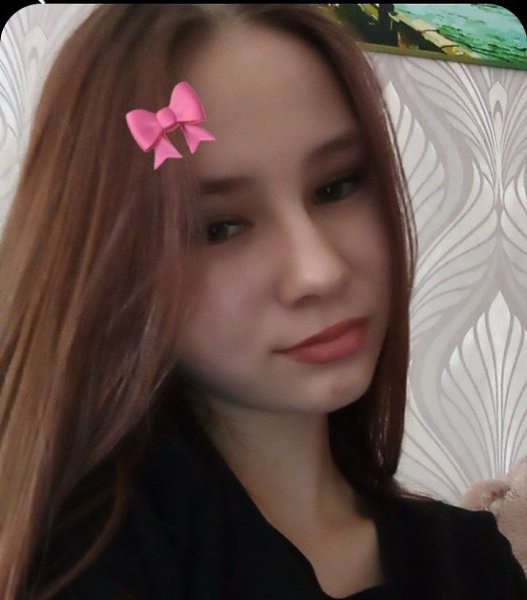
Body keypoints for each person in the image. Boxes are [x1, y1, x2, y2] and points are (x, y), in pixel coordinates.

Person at [0, 4, 525, 599]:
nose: (318, 271)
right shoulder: (81, 560)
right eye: (219, 227)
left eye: (336, 186)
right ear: (114, 265)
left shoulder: (470, 561)